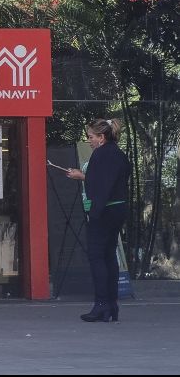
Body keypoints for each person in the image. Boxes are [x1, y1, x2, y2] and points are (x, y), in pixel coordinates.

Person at [65, 118, 130, 322]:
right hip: (119, 208)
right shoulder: (120, 155)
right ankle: (112, 304)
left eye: (91, 137)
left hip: (104, 210)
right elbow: (112, 181)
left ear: (101, 137)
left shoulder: (100, 155)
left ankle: (101, 303)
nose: (89, 140)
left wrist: (81, 177)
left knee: (96, 256)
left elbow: (99, 185)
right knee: (109, 255)